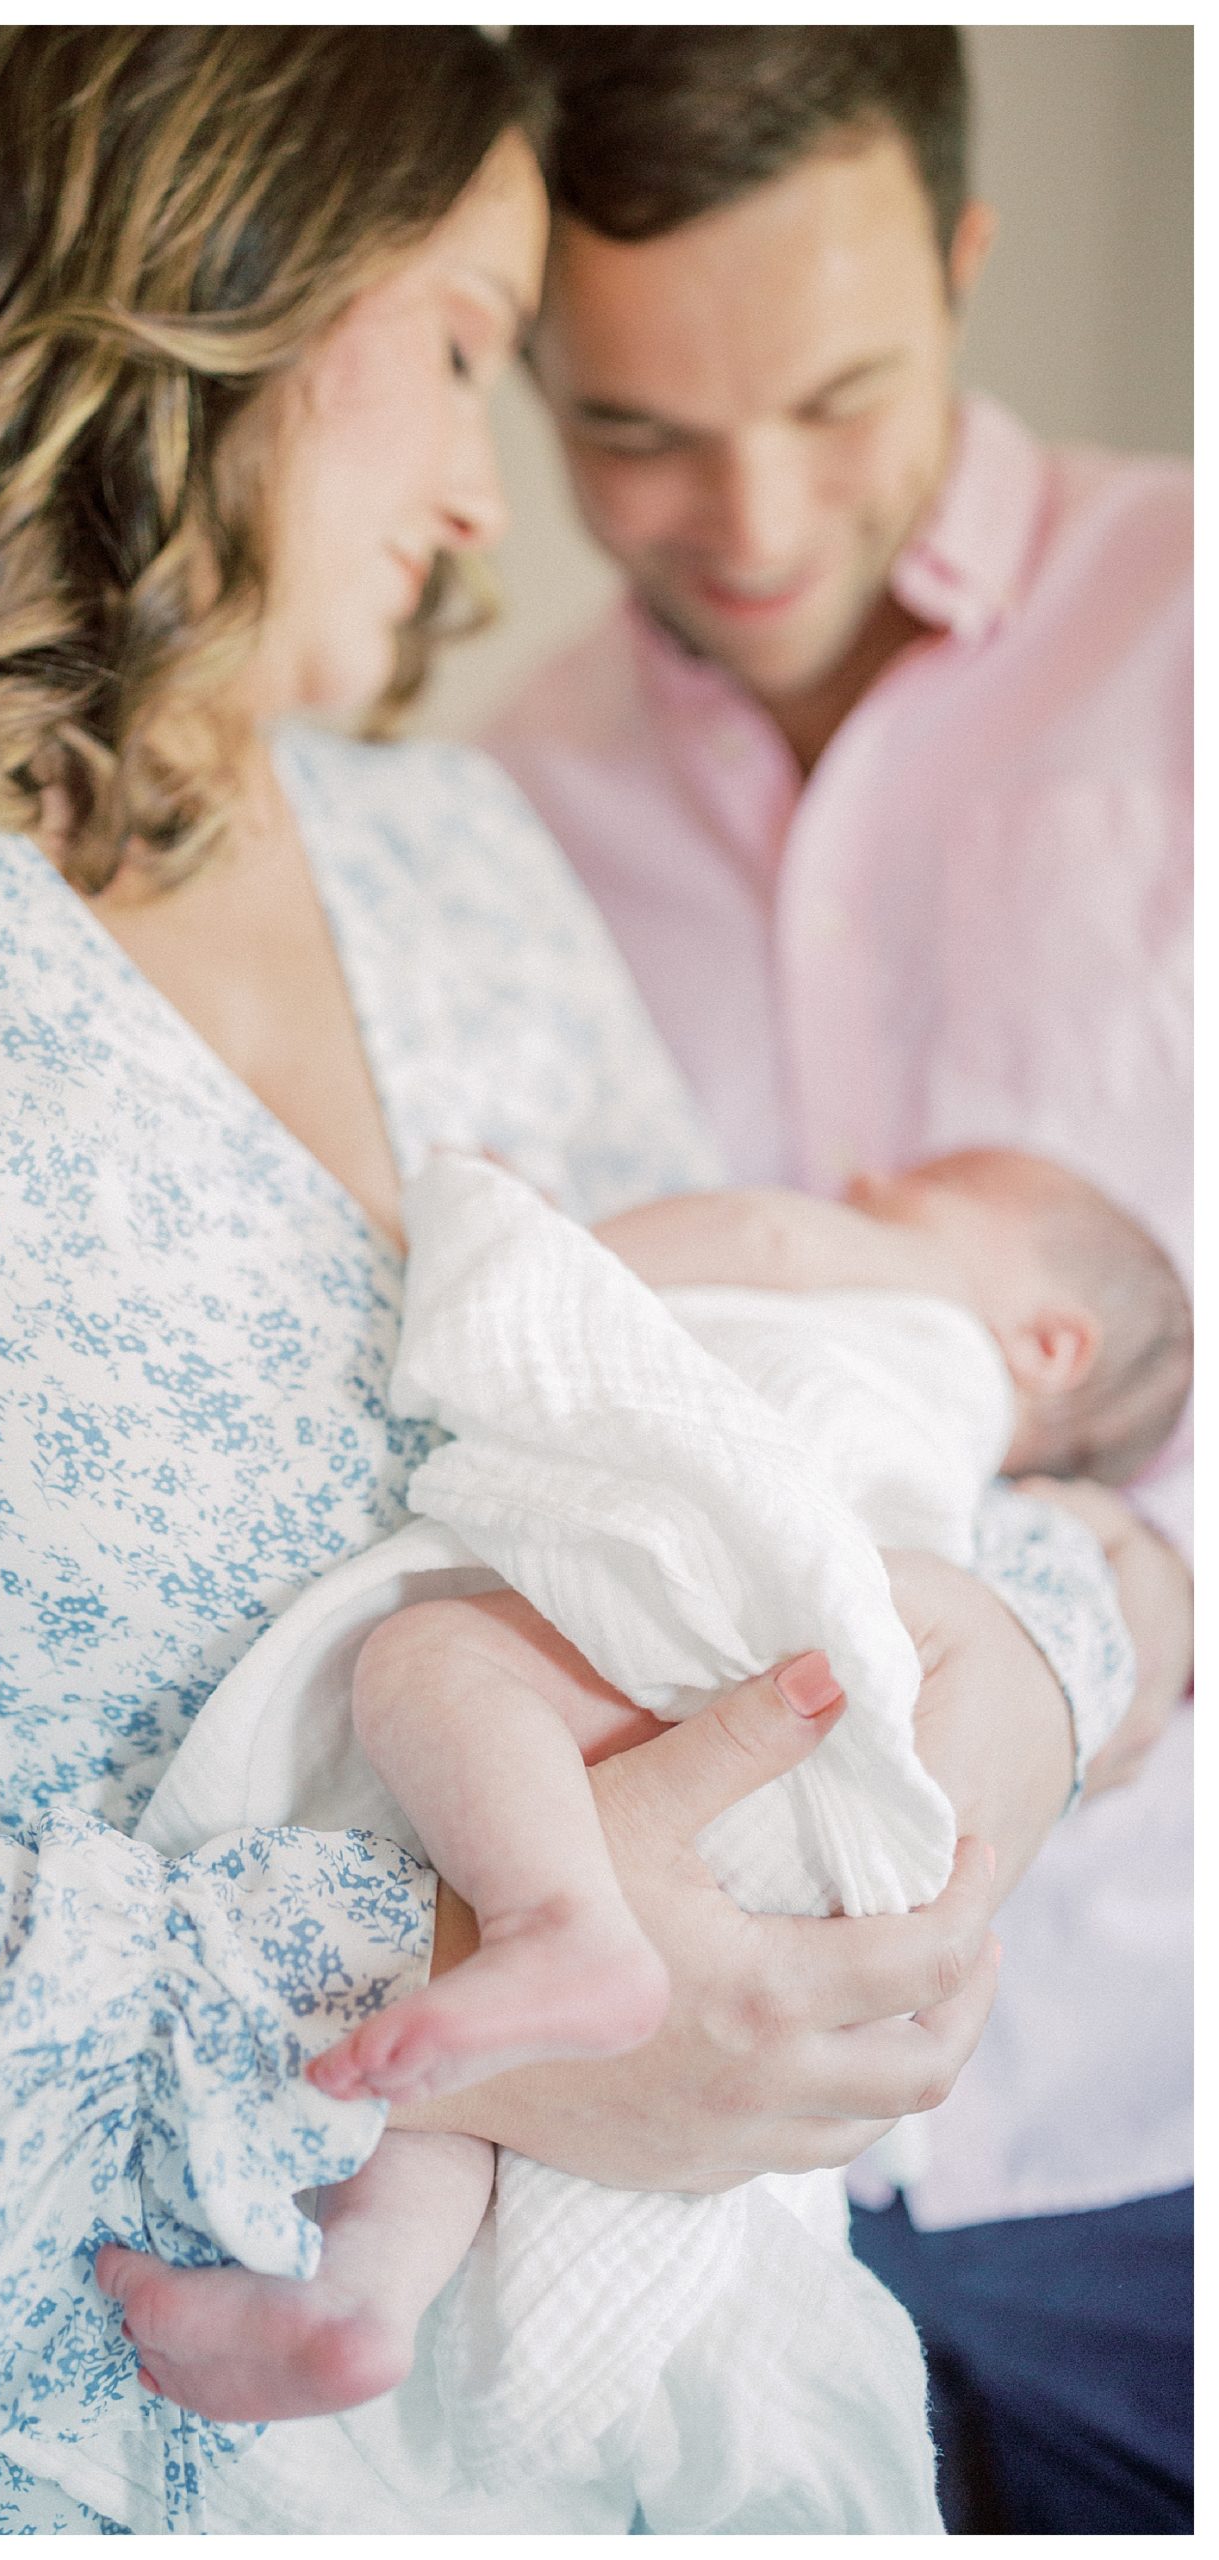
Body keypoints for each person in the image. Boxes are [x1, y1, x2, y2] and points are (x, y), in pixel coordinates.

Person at [0, 27, 1128, 2539]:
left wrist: (1002, 1704)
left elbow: (774, 1407)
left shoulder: (458, 858)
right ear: (230, 265)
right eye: (478, 345)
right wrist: (440, 2003)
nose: (492, 502)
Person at [496, 26, 1193, 2535]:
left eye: (834, 394)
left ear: (964, 263)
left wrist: (1141, 1597)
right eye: (633, 431)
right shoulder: (500, 803)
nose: (748, 513)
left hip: (1164, 2095)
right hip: (691, 2173)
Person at [96, 1144, 1188, 2428]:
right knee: (483, 2065)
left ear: (1049, 1342)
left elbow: (756, 1235)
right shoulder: (974, 1483)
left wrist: (550, 1253)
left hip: (738, 1600)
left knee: (434, 1660)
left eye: (909, 1191)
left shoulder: (903, 1304)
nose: (857, 1183)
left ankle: (558, 1926)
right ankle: (362, 2299)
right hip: (806, 1746)